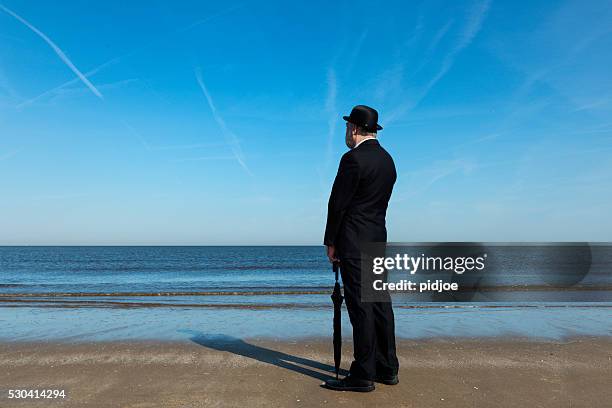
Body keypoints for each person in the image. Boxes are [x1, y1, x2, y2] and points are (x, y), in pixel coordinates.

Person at [323, 105, 399, 392]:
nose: (345, 132)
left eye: (346, 127)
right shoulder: (387, 160)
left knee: (361, 307)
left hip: (353, 241)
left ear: (354, 128)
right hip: (377, 238)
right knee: (380, 302)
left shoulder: (352, 159)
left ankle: (363, 373)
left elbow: (337, 204)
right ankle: (387, 367)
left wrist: (331, 241)